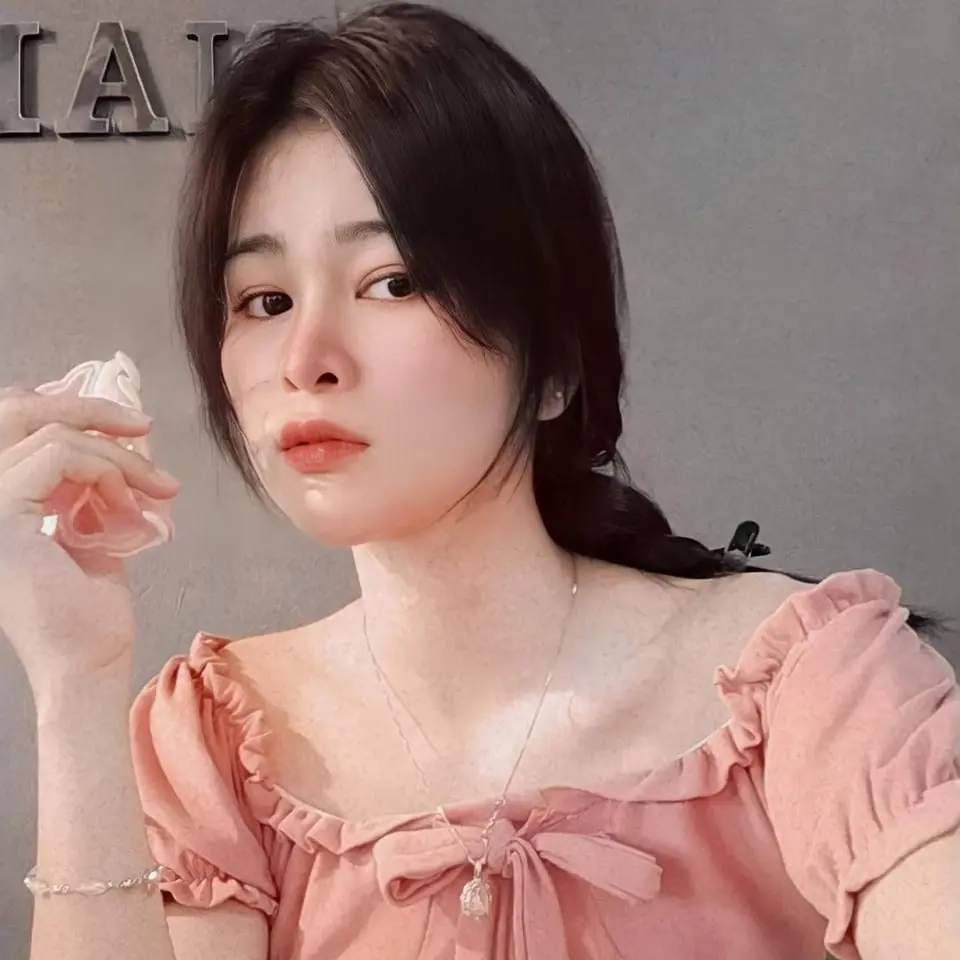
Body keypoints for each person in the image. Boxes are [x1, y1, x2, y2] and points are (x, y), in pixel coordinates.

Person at [2, 4, 957, 959]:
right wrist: (75, 679)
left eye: (393, 282)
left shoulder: (811, 680)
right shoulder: (215, 741)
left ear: (555, 362)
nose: (305, 358)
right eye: (266, 300)